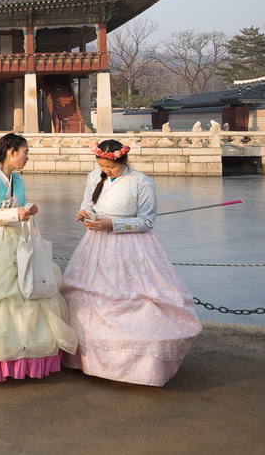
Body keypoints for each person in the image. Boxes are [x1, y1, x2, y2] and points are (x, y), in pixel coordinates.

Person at [61, 139, 202, 387]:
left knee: (135, 297)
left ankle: (136, 366)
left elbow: (147, 222)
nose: (105, 170)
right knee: (87, 298)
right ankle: (86, 360)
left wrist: (112, 224)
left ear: (123, 161)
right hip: (95, 243)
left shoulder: (142, 183)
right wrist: (85, 214)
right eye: (102, 165)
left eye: (110, 167)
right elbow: (87, 203)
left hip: (131, 247)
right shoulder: (94, 176)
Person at [0, 133, 77, 381]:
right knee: (0, 298)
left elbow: (19, 210)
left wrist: (27, 211)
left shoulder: (17, 181)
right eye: (25, 152)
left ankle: (26, 356)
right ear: (11, 152)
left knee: (28, 291)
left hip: (17, 243)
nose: (27, 157)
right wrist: (15, 213)